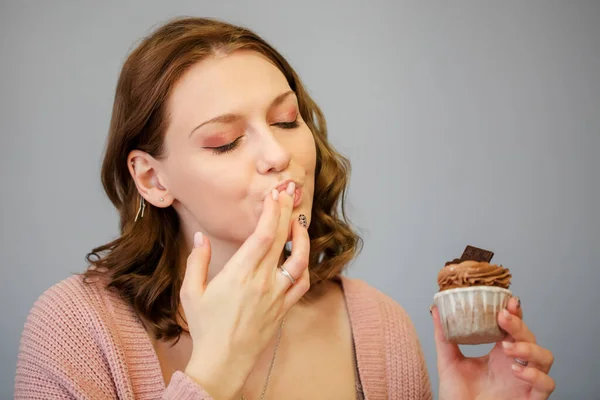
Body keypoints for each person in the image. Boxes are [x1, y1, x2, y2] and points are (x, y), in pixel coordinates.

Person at [14, 17, 555, 399]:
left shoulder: (381, 327)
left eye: (287, 121)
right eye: (225, 141)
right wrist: (212, 376)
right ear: (152, 179)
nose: (279, 156)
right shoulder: (75, 329)